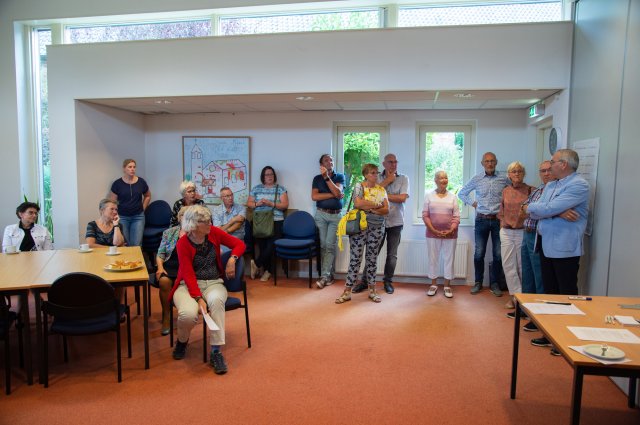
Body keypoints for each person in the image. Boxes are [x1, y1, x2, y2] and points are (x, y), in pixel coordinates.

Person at [525, 149, 589, 355]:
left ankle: (566, 340)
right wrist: (556, 211)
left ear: (564, 164)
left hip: (565, 248)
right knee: (550, 293)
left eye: (552, 162)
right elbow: (534, 209)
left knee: (566, 294)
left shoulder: (579, 185)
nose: (549, 166)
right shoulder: (552, 185)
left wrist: (547, 210)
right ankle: (550, 335)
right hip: (545, 244)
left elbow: (542, 209)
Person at [169, 205, 246, 374]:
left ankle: (216, 352)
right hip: (187, 285)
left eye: (209, 220)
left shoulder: (214, 233)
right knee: (188, 315)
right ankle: (182, 341)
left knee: (216, 302)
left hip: (213, 282)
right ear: (194, 224)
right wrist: (198, 298)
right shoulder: (183, 243)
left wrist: (232, 259)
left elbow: (239, 244)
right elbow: (188, 274)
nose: (210, 224)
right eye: (205, 222)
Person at [353, 153, 409, 295]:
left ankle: (387, 282)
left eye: (395, 162)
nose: (393, 164)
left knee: (392, 255)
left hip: (396, 221)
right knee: (372, 253)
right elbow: (368, 194)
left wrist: (382, 196)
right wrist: (387, 182)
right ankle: (364, 282)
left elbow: (402, 198)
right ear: (384, 164)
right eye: (390, 162)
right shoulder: (376, 176)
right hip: (376, 221)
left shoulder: (403, 178)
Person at [335, 163, 389, 304]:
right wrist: (376, 206)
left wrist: (369, 207)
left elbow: (386, 209)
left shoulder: (381, 190)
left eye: (377, 172)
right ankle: (347, 291)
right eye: (372, 173)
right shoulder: (359, 186)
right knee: (355, 259)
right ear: (365, 174)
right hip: (359, 227)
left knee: (372, 259)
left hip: (377, 227)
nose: (375, 175)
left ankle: (372, 291)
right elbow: (358, 204)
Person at [458, 152, 510, 296]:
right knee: (479, 253)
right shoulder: (477, 178)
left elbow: (513, 192)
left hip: (498, 220)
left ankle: (495, 283)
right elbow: (462, 193)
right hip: (481, 220)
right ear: (482, 163)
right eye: (487, 161)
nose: (490, 163)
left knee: (498, 254)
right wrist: (473, 203)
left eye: (492, 161)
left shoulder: (504, 178)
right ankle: (478, 282)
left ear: (496, 162)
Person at [513, 160, 553, 328]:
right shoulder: (538, 190)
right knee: (527, 273)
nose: (546, 174)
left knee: (539, 276)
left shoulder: (554, 191)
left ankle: (538, 317)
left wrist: (530, 209)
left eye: (549, 170)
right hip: (527, 233)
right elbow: (523, 209)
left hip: (539, 236)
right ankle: (525, 309)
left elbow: (543, 211)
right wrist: (530, 209)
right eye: (542, 171)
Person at [497, 162, 533, 310]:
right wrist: (502, 224)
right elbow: (501, 211)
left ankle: (523, 298)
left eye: (519, 171)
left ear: (524, 173)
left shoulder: (531, 190)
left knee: (521, 266)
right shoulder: (505, 190)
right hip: (506, 232)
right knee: (508, 265)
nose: (516, 173)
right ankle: (514, 297)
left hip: (522, 232)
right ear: (509, 175)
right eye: (513, 171)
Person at [247, 166, 289, 282]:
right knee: (263, 247)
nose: (269, 176)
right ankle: (267, 271)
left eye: (271, 174)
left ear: (274, 176)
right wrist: (257, 204)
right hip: (260, 221)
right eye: (267, 174)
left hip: (276, 220)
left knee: (272, 245)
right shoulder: (256, 189)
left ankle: (256, 263)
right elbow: (249, 203)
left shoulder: (281, 189)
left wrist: (272, 204)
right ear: (263, 176)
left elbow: (285, 205)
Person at [422, 171, 460, 298]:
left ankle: (447, 286)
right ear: (435, 180)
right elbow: (425, 215)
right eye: (441, 178)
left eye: (446, 178)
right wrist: (433, 230)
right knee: (433, 258)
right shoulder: (429, 196)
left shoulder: (453, 197)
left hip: (450, 234)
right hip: (432, 233)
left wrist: (451, 230)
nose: (444, 180)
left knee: (449, 259)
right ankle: (433, 285)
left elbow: (456, 216)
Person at [311, 154, 345, 289]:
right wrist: (334, 194)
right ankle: (329, 275)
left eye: (331, 160)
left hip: (335, 216)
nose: (330, 162)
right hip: (321, 215)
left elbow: (339, 191)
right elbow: (314, 196)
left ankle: (324, 276)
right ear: (321, 165)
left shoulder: (340, 176)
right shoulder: (316, 178)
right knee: (323, 245)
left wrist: (327, 178)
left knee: (330, 245)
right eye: (326, 160)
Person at [155, 207, 187, 336]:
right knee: (163, 281)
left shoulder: (196, 233)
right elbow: (160, 254)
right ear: (179, 218)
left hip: (187, 268)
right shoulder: (169, 232)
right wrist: (160, 267)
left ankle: (186, 315)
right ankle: (166, 316)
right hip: (170, 265)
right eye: (184, 215)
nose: (187, 218)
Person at [109, 159, 151, 247]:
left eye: (134, 167)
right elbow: (112, 202)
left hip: (138, 217)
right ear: (124, 168)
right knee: (125, 243)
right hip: (122, 217)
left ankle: (137, 257)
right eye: (130, 167)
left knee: (136, 244)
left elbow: (147, 196)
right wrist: (114, 215)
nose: (132, 169)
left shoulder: (141, 182)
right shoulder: (117, 184)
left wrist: (143, 208)